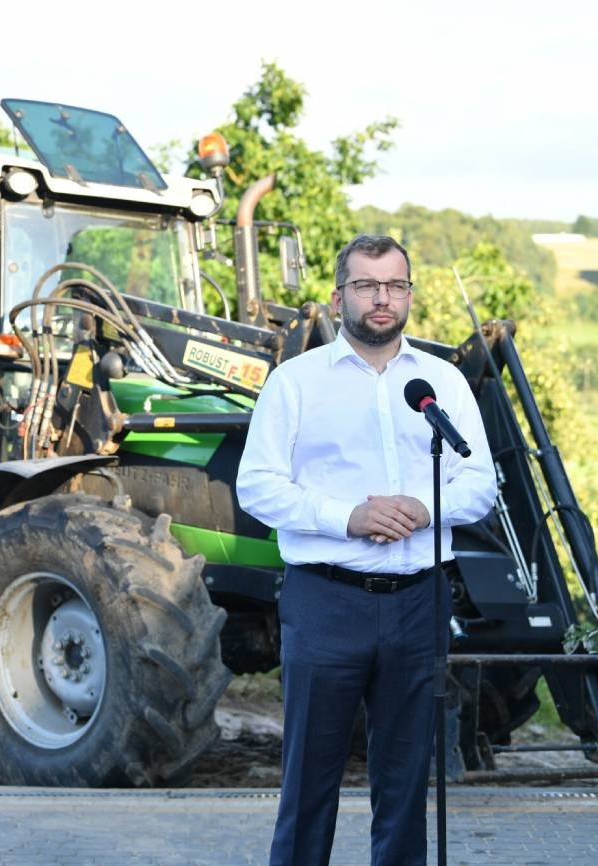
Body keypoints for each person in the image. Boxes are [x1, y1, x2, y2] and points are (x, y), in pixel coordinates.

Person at [236, 235, 497, 865]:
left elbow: (482, 481)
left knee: (407, 785)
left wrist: (425, 508)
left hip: (417, 604)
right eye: (367, 285)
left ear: (409, 293)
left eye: (396, 285)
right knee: (309, 786)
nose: (383, 298)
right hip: (327, 600)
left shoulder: (443, 382)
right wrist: (346, 518)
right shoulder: (295, 383)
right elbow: (257, 486)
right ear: (339, 295)